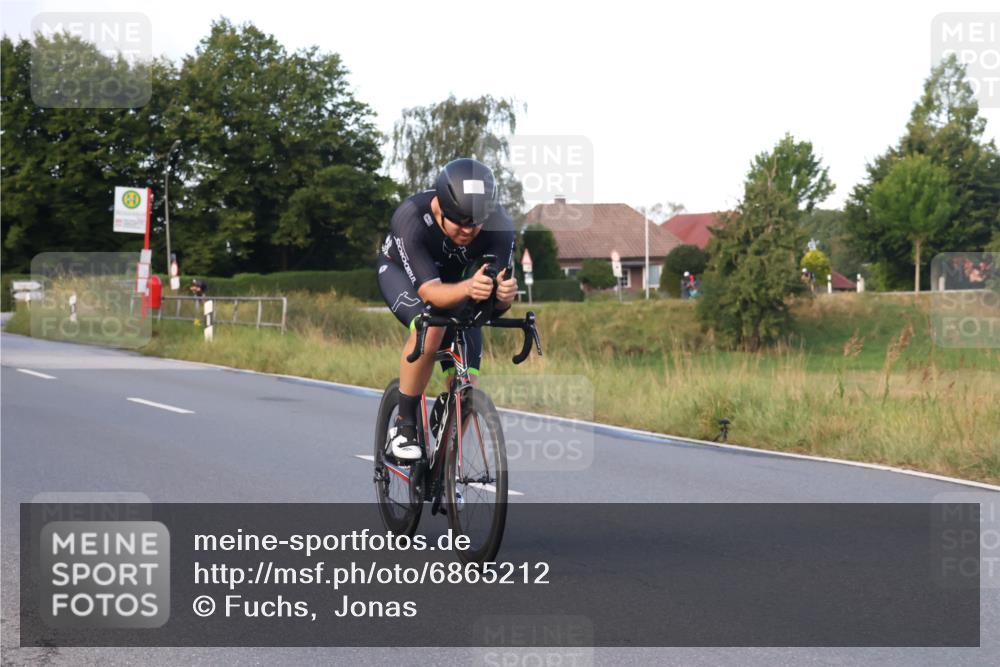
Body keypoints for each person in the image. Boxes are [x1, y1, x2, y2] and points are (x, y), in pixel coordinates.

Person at [376, 158, 518, 460]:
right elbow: (430, 293)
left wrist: (504, 297)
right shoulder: (412, 217)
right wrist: (468, 288)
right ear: (441, 207)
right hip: (403, 275)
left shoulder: (500, 226)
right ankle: (404, 424)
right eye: (460, 221)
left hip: (455, 283)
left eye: (475, 223)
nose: (468, 230)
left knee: (468, 380)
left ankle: (445, 465)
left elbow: (492, 304)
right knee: (431, 327)